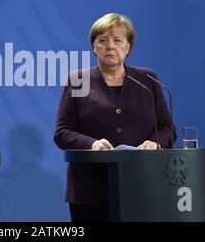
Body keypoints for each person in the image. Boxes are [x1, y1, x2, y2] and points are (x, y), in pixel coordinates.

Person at [54, 13, 174, 222]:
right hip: (90, 191)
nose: (110, 46)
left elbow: (167, 128)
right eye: (102, 40)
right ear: (94, 47)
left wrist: (155, 143)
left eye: (117, 40)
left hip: (143, 185)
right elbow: (62, 133)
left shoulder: (147, 80)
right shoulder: (78, 80)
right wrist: (92, 144)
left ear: (128, 47)